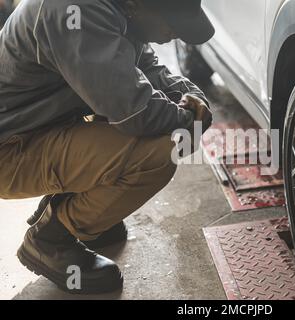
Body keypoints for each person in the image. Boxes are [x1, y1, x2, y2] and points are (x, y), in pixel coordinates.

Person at [0, 0, 214, 294]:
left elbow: (144, 67)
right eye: (172, 24)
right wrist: (187, 120)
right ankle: (50, 240)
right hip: (10, 150)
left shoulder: (120, 11)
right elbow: (135, 111)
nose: (173, 35)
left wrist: (190, 95)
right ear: (141, 6)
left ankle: (70, 210)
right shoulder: (77, 13)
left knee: (126, 113)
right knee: (159, 152)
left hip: (33, 129)